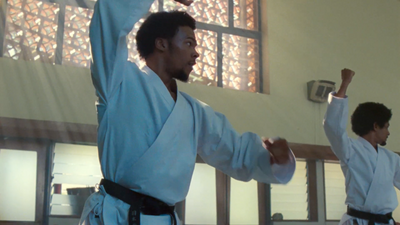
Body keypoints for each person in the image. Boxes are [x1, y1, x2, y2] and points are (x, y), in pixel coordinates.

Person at [79, 0, 296, 224]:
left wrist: (274, 160)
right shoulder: (119, 81)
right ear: (161, 44)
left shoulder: (195, 113)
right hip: (115, 216)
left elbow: (235, 151)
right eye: (189, 43)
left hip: (164, 218)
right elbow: (109, 18)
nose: (196, 54)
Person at [323, 68, 400, 225]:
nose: (388, 132)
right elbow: (333, 127)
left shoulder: (392, 158)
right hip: (357, 221)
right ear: (376, 126)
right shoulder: (350, 150)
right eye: (386, 127)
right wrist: (345, 84)